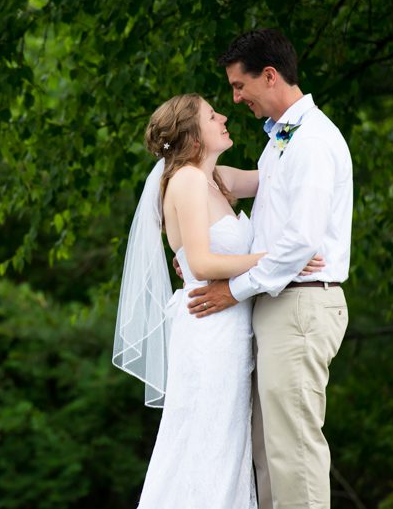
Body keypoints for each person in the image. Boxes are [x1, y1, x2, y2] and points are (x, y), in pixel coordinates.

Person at [112, 93, 323, 507]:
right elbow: (203, 263)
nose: (224, 116)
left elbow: (274, 174)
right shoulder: (187, 181)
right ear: (194, 137)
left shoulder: (216, 178)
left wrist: (296, 125)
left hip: (230, 329)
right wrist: (281, 261)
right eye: (212, 116)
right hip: (209, 331)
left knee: (227, 446)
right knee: (205, 445)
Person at [187, 29, 352, 509]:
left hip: (300, 304)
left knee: (292, 450)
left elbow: (300, 241)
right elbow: (255, 200)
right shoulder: (283, 138)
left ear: (271, 76)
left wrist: (233, 288)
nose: (236, 99)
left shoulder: (313, 141)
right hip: (278, 302)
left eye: (240, 86)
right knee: (266, 452)